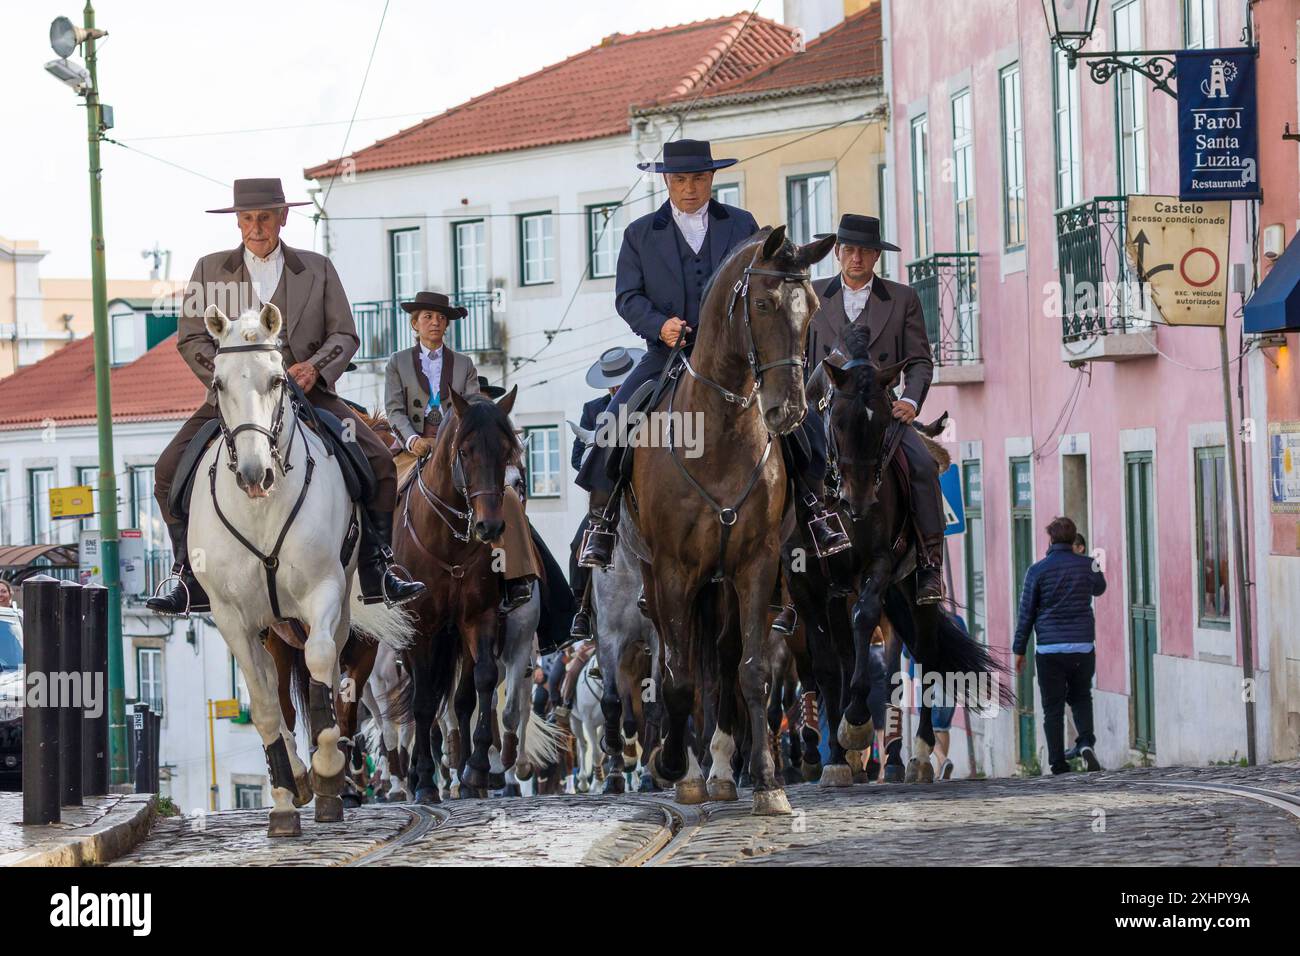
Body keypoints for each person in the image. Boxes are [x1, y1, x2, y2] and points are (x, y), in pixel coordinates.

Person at [148, 178, 424, 614]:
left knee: (379, 462)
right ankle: (187, 575)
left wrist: (316, 368)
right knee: (166, 471)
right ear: (238, 223)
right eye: (248, 219)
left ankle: (378, 565)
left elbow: (345, 333)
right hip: (237, 400)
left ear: (283, 218)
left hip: (308, 394)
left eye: (264, 217)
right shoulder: (208, 269)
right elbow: (191, 338)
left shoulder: (317, 268)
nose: (256, 227)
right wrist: (230, 378)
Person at [576, 139, 759, 569]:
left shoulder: (742, 224)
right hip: (667, 354)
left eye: (698, 178)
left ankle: (816, 508)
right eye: (680, 180)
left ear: (712, 178)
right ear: (666, 182)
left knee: (794, 417)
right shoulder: (639, 233)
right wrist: (659, 325)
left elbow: (759, 286)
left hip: (734, 357)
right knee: (614, 424)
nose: (690, 188)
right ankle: (600, 525)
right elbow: (627, 297)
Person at [802, 213, 945, 604]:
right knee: (781, 472)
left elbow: (919, 360)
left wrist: (911, 401)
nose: (857, 258)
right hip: (822, 416)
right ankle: (782, 583)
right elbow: (796, 359)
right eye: (849, 250)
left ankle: (931, 566)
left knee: (923, 466)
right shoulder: (811, 297)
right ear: (837, 252)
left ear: (876, 256)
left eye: (865, 251)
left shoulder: (902, 298)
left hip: (881, 414)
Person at [383, 290, 540, 610]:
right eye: (427, 317)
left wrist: (453, 442)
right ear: (415, 323)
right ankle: (381, 572)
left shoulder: (464, 364)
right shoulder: (397, 363)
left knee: (505, 495)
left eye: (441, 318)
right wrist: (413, 440)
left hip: (456, 447)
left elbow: (474, 410)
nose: (435, 323)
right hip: (413, 447)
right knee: (382, 492)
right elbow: (394, 410)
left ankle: (515, 577)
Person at [1013, 516, 1106, 775]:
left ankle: (1057, 762)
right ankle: (1086, 742)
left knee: (1052, 707)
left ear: (1051, 539)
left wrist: (1019, 650)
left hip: (1050, 650)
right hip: (1082, 646)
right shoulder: (1090, 565)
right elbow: (1100, 588)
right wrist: (1092, 562)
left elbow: (1026, 614)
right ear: (1074, 538)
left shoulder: (1037, 570)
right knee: (1081, 696)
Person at [568, 346, 643, 640]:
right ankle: (581, 609)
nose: (616, 386)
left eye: (621, 379)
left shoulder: (647, 400)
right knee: (578, 544)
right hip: (608, 494)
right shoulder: (593, 409)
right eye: (612, 381)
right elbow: (578, 459)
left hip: (642, 487)